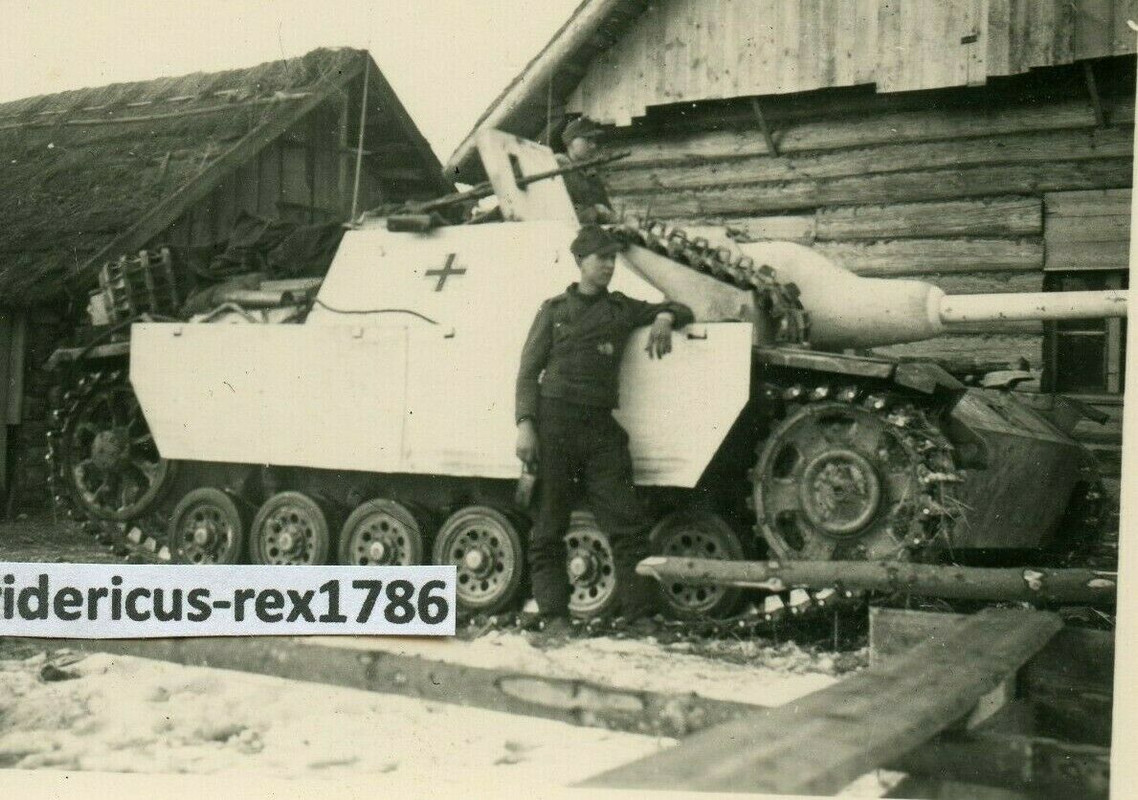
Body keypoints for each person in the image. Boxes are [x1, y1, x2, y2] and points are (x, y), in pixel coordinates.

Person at [515, 225, 695, 632]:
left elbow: (681, 307)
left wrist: (665, 317)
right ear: (581, 262)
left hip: (599, 427)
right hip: (554, 423)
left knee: (627, 522)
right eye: (601, 259)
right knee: (548, 524)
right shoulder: (554, 310)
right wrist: (525, 425)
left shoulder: (621, 309)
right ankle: (555, 616)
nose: (609, 267)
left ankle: (639, 615)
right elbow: (527, 373)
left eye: (613, 259)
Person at [556, 117, 615, 224]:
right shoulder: (558, 170)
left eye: (594, 140)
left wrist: (612, 216)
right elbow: (559, 210)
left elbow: (607, 208)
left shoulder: (592, 175)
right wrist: (594, 212)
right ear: (570, 141)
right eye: (588, 139)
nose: (593, 145)